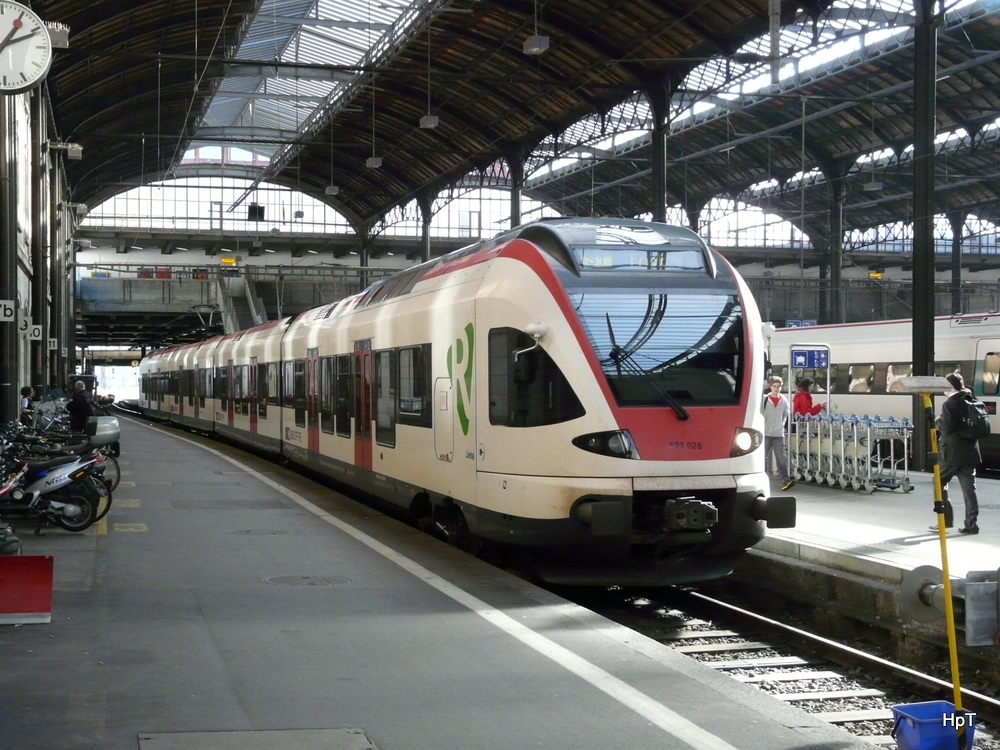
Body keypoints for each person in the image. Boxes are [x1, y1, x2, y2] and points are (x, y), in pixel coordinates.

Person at [933, 372, 981, 534]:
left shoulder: (950, 404)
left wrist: (938, 421)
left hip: (952, 454)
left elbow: (948, 428)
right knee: (969, 490)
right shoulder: (971, 400)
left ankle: (945, 520)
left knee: (938, 482)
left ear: (949, 387)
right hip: (970, 452)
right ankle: (971, 524)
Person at [762, 376, 794, 491]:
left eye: (778, 386)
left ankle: (786, 479)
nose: (776, 388)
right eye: (774, 386)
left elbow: (786, 413)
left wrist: (782, 424)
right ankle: (763, 477)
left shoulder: (783, 400)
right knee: (763, 457)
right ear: (770, 387)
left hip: (778, 434)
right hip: (765, 432)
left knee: (780, 457)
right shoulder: (765, 399)